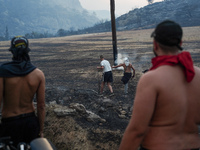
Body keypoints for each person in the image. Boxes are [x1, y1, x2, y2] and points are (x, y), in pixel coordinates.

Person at [119, 20, 200, 150]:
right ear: (180, 43)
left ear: (155, 44)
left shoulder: (151, 78)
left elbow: (137, 130)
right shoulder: (197, 75)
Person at [0, 36, 46, 147]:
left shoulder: (3, 72)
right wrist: (41, 130)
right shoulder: (38, 74)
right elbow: (41, 106)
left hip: (10, 123)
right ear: (27, 50)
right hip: (30, 123)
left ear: (12, 50)